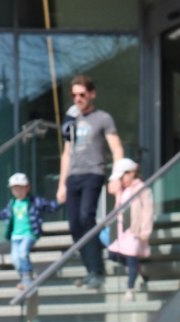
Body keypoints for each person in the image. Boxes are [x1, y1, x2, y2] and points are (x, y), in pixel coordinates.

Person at [56, 75, 124, 289]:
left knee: (87, 217)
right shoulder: (71, 122)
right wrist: (61, 184)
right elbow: (66, 154)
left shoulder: (103, 118)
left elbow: (117, 149)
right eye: (74, 95)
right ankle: (90, 270)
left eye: (82, 94)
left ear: (92, 94)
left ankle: (98, 270)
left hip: (93, 173)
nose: (78, 99)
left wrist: (116, 177)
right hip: (73, 177)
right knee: (75, 225)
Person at [0, 173, 60, 289]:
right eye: (15, 189)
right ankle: (24, 278)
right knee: (15, 260)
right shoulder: (12, 204)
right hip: (15, 236)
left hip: (29, 233)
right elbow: (3, 215)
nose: (18, 192)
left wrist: (60, 202)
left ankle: (27, 278)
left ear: (27, 188)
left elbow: (49, 206)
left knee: (23, 253)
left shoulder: (34, 201)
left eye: (20, 189)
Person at [106, 158, 153, 302]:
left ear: (131, 173)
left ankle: (130, 288)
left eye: (123, 176)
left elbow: (148, 210)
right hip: (121, 231)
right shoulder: (123, 190)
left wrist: (145, 230)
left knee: (132, 258)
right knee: (112, 254)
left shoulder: (141, 188)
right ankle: (139, 270)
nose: (122, 180)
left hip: (134, 231)